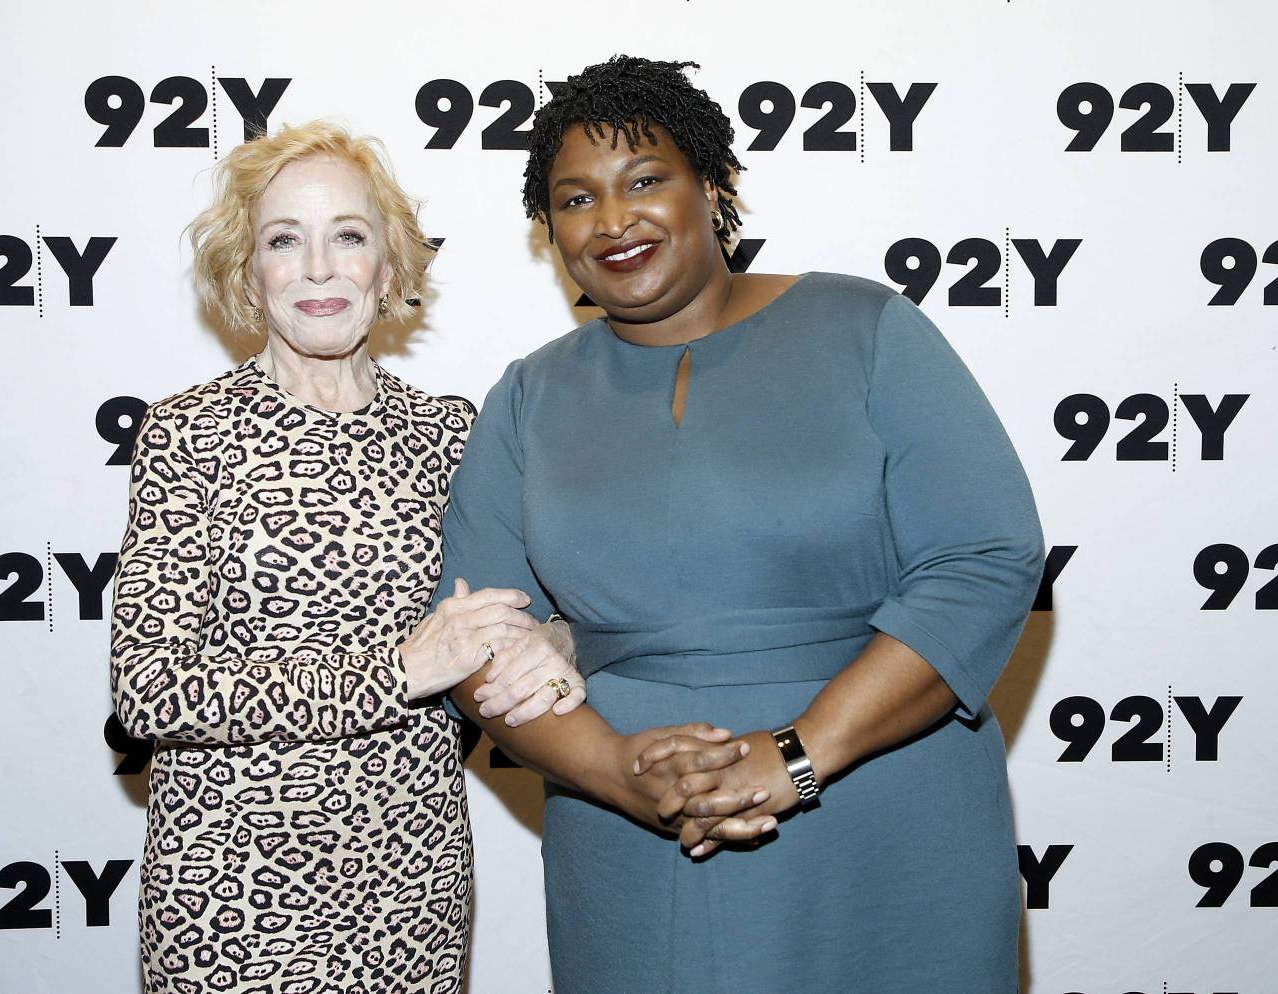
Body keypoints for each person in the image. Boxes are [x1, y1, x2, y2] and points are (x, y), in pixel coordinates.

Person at [436, 56, 1045, 993]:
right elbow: (477, 640)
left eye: (645, 180)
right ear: (550, 229)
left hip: (885, 808)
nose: (613, 220)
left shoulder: (868, 328)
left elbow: (981, 560)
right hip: (632, 842)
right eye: (575, 199)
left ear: (713, 187)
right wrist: (613, 770)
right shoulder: (527, 397)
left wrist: (800, 751)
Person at [109, 120, 583, 994]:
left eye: (349, 237)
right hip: (233, 900)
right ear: (249, 273)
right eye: (285, 240)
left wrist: (549, 644)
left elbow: (530, 611)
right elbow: (149, 690)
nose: (319, 267)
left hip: (415, 890)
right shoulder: (188, 435)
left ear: (391, 268)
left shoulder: (450, 434)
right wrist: (395, 670)